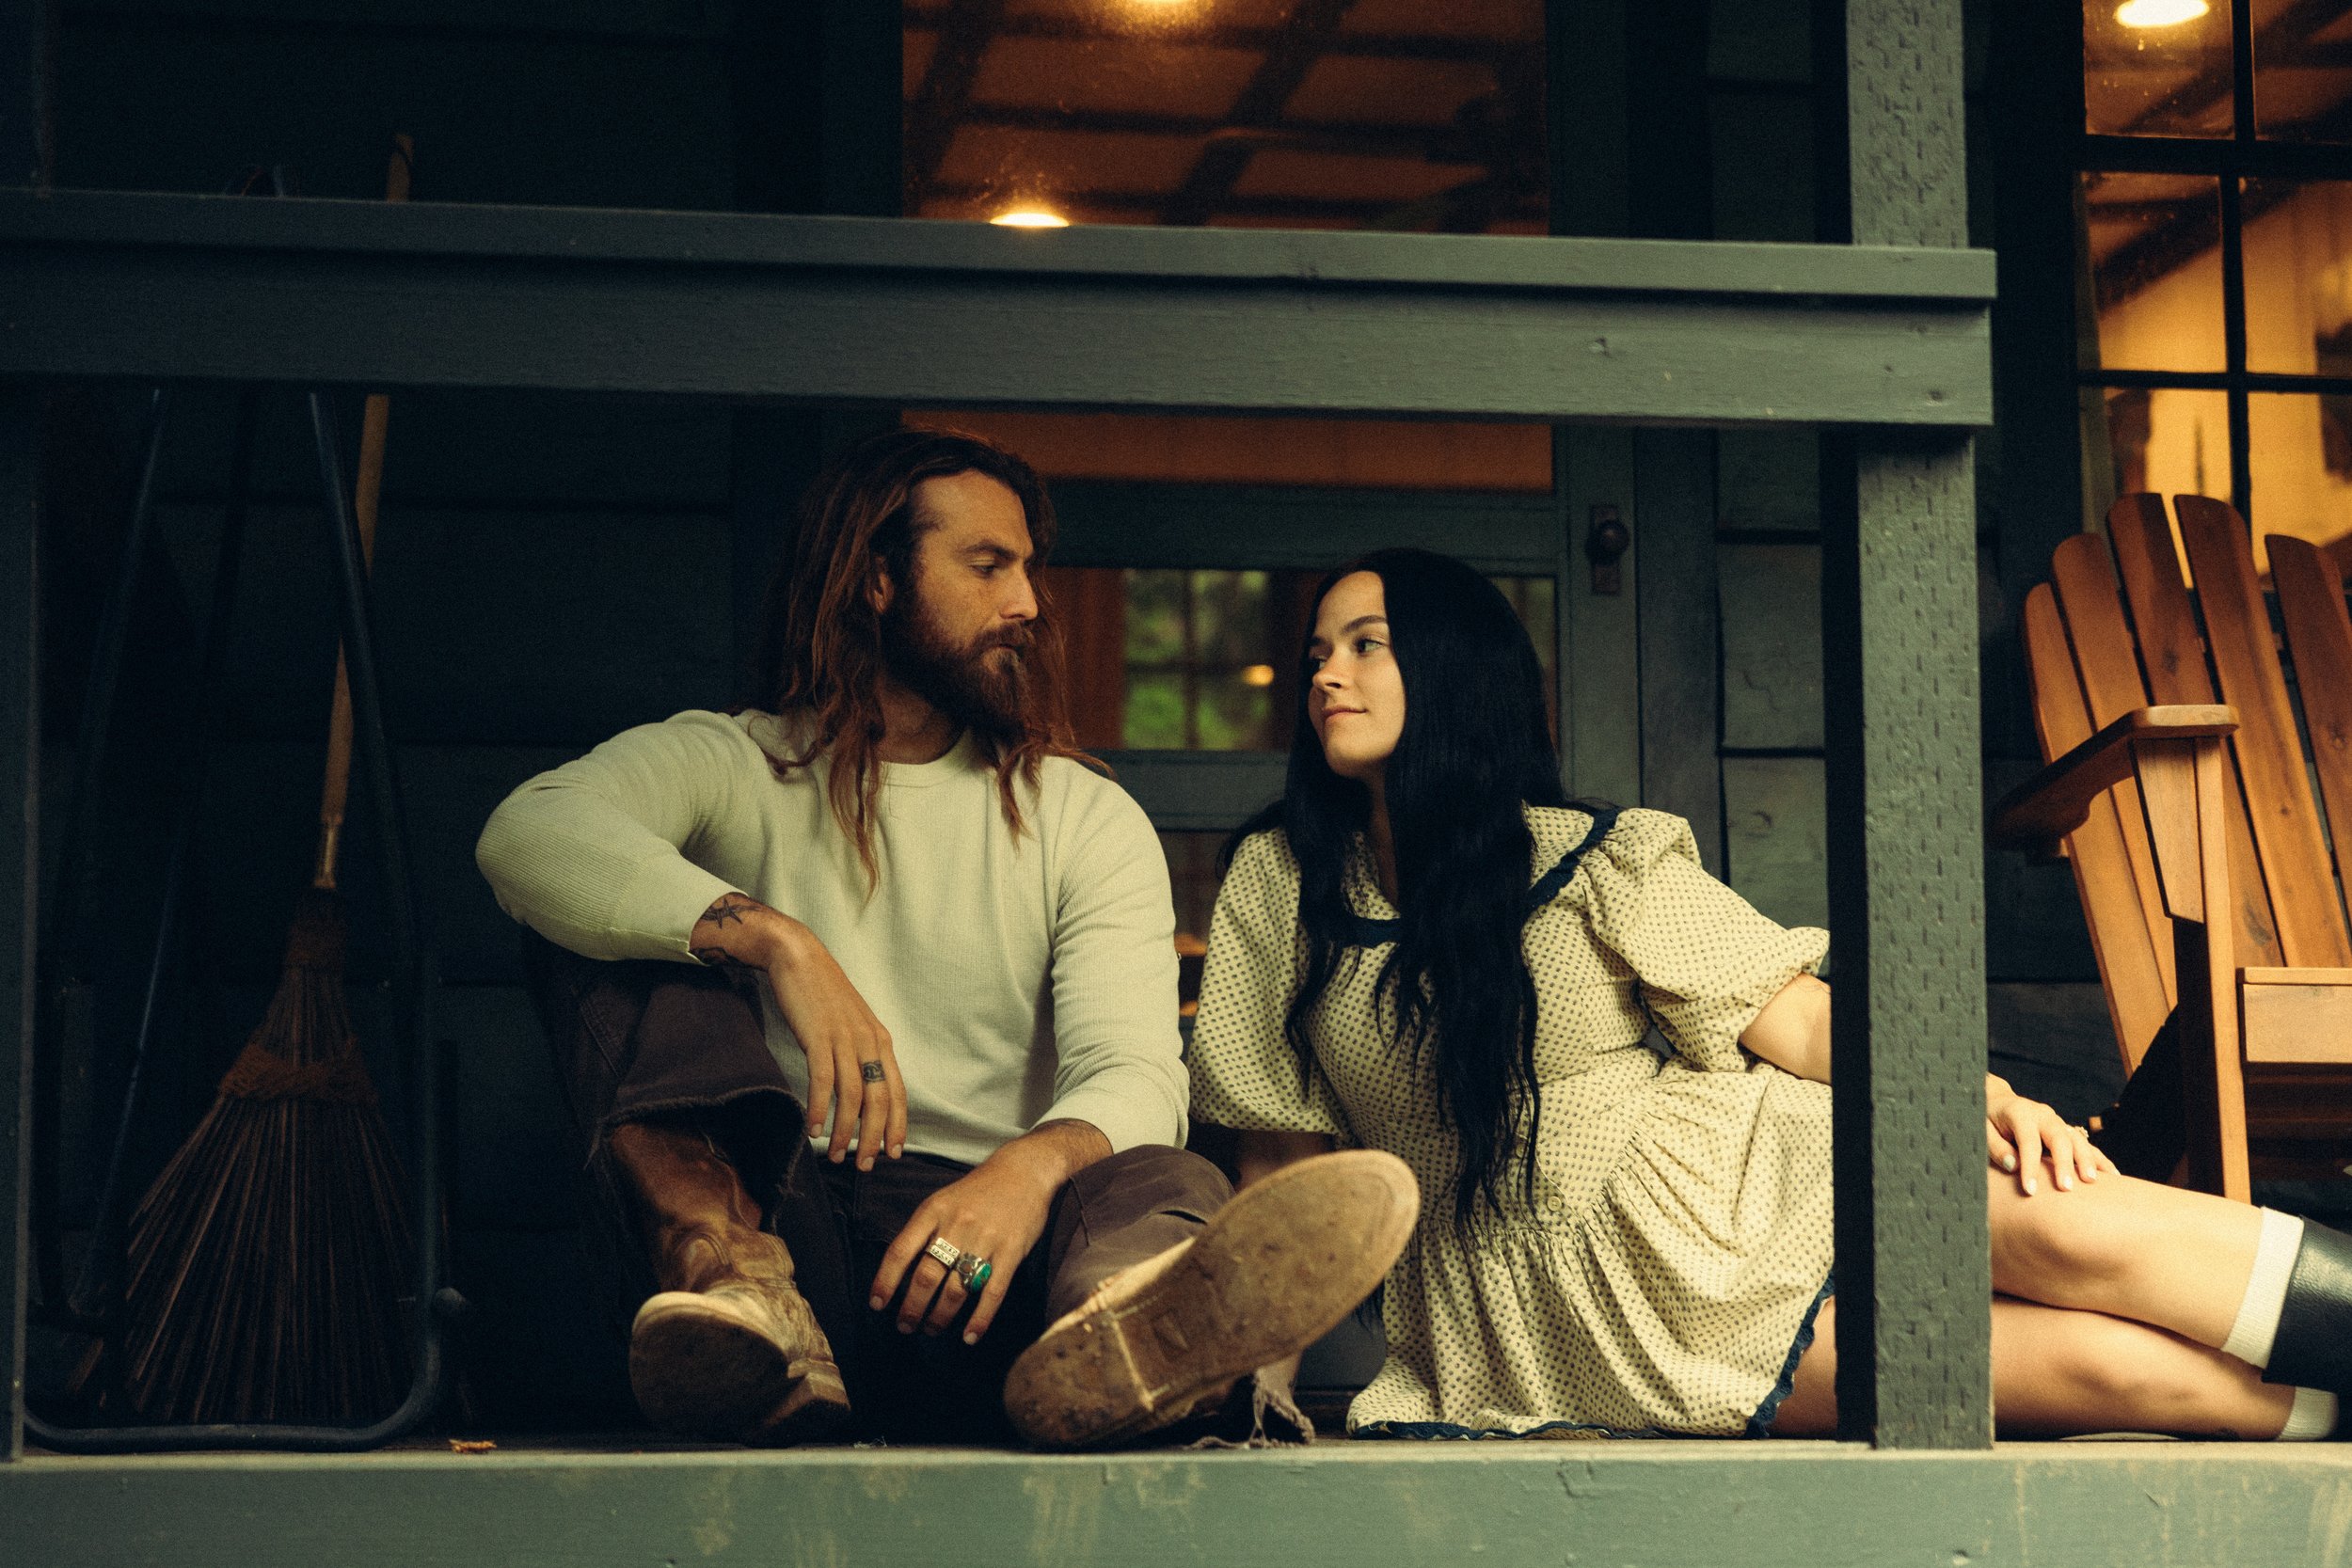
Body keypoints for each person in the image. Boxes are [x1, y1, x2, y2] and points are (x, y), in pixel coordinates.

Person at [1189, 546, 2352, 1441]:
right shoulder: (1280, 879)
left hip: (1749, 1172)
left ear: (1451, 670)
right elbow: (1281, 1166)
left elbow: (1793, 1015)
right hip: (1577, 1317)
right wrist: (1255, 1379)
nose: (1325, 674)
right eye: (1318, 652)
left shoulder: (1586, 856)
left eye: (1366, 644)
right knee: (2108, 1369)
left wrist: (1979, 1095)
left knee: (2073, 1223)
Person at [476, 428, 1415, 1449]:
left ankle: (1130, 1340)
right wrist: (777, 940)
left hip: (1003, 1291)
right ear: (877, 580)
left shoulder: (1081, 814)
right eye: (987, 565)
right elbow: (529, 832)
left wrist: (1024, 1171)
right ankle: (730, 1280)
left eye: (1028, 568)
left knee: (1164, 1173)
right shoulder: (734, 764)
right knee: (612, 933)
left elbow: (1135, 1070)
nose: (1029, 602)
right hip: (789, 1269)